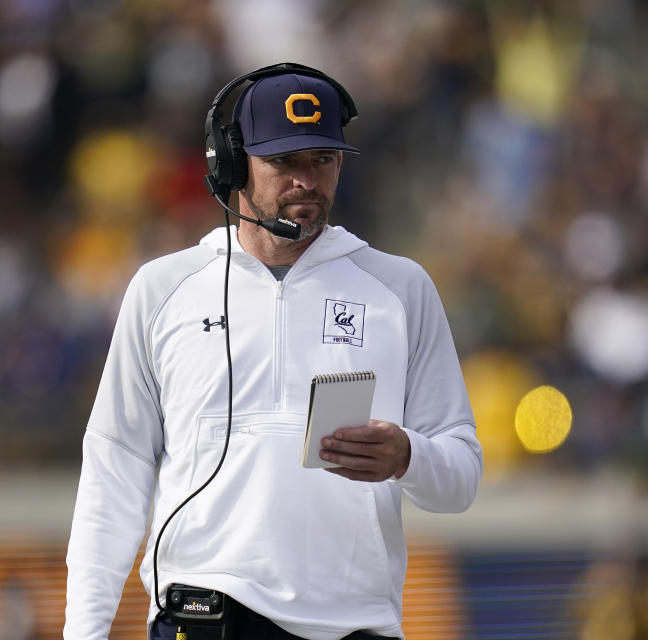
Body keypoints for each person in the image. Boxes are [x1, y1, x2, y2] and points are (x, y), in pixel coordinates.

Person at [64, 63, 483, 640]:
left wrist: (408, 455)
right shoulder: (163, 290)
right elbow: (115, 472)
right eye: (284, 162)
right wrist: (84, 633)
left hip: (354, 625)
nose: (306, 181)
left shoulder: (400, 289)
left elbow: (461, 477)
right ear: (231, 165)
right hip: (203, 615)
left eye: (323, 160)